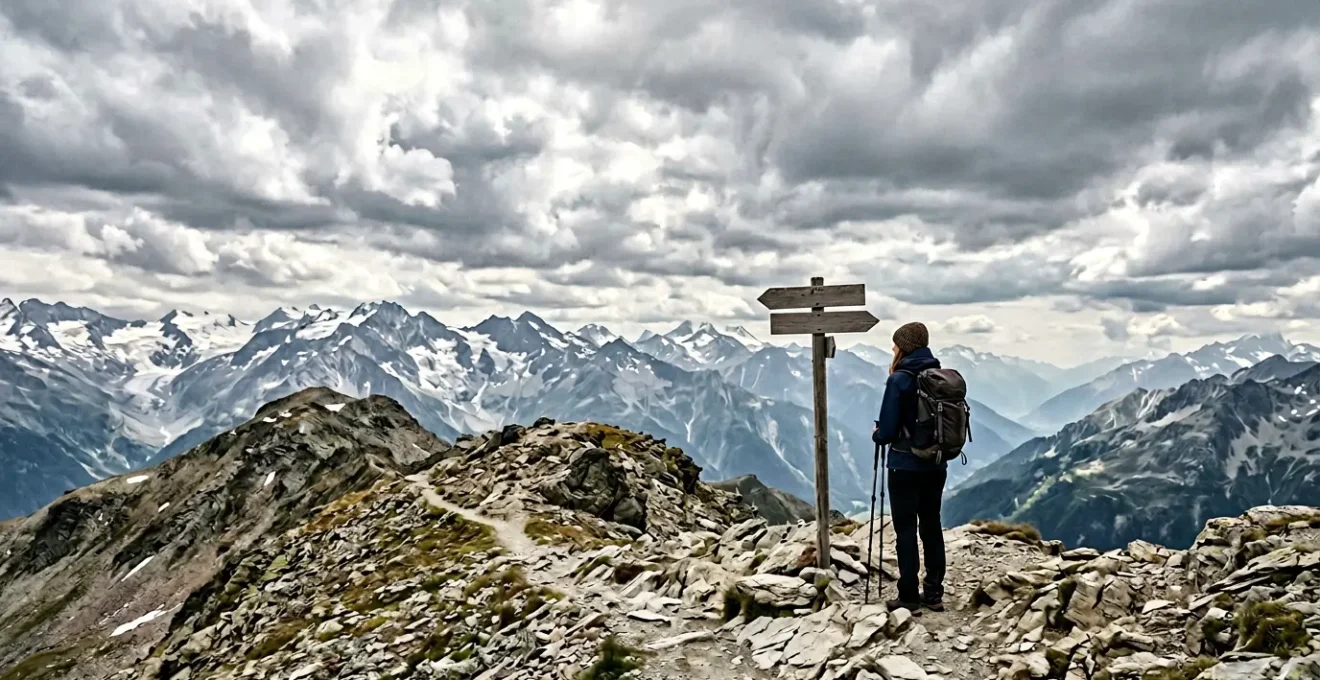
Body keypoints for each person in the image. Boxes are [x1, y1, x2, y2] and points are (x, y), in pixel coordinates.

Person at [871, 321, 947, 612]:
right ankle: (934, 592)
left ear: (905, 346)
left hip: (904, 465)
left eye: (895, 344)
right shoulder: (939, 375)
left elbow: (888, 432)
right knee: (931, 524)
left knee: (905, 529)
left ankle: (909, 596)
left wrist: (877, 434)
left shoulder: (899, 379)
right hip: (936, 464)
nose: (892, 348)